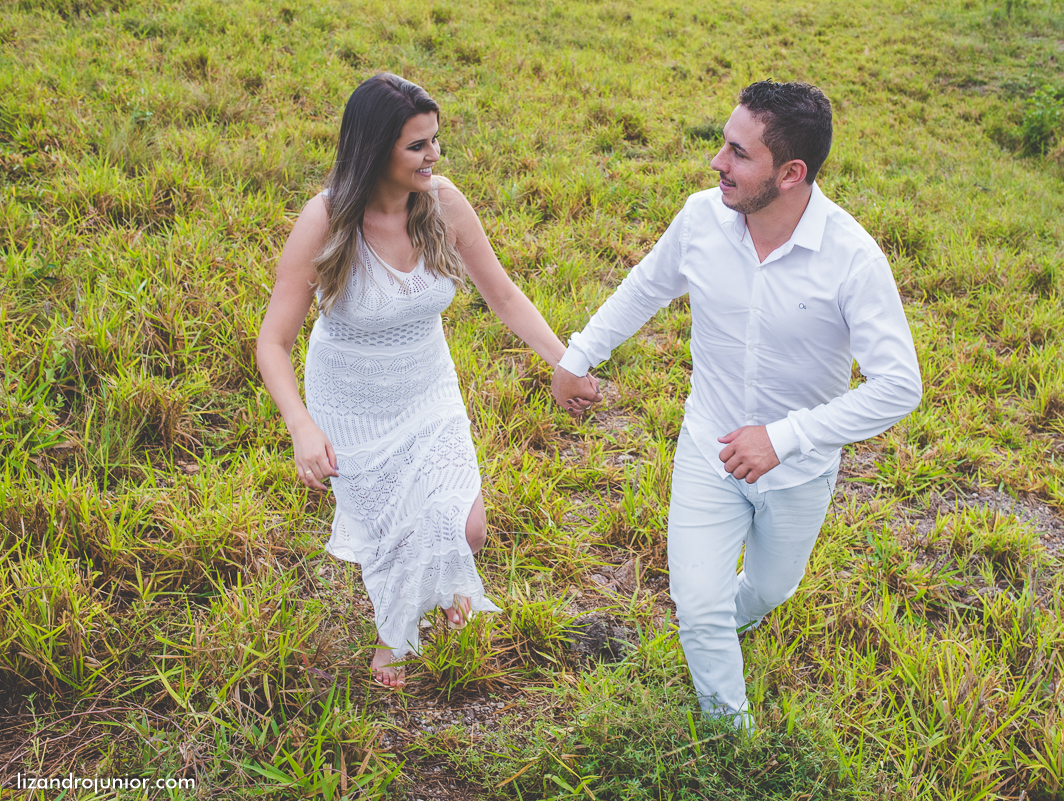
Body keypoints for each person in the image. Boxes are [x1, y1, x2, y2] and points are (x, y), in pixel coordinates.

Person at [552, 80, 922, 728]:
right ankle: (731, 737)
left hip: (799, 470)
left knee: (771, 589)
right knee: (696, 605)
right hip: (708, 449)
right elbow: (645, 288)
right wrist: (579, 354)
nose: (716, 163)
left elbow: (899, 385)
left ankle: (726, 616)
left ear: (790, 173)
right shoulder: (701, 219)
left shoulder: (853, 259)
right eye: (723, 145)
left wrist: (785, 437)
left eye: (737, 152)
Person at [257, 74, 590, 688]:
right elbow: (272, 342)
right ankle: (395, 632)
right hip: (352, 401)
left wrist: (564, 361)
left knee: (467, 526)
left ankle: (431, 598)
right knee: (393, 528)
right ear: (375, 147)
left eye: (435, 140)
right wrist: (301, 424)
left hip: (427, 386)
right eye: (417, 145)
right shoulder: (327, 217)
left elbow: (504, 293)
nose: (433, 155)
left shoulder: (442, 202)